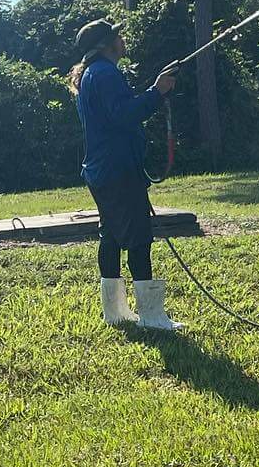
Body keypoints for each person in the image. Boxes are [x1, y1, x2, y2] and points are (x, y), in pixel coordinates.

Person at [69, 20, 180, 330]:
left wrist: (154, 90)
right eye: (118, 36)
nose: (123, 39)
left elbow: (117, 113)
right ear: (106, 44)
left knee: (113, 236)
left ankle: (115, 312)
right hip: (118, 169)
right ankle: (152, 317)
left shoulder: (92, 74)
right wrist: (157, 92)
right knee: (139, 238)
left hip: (102, 169)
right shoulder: (105, 73)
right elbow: (124, 115)